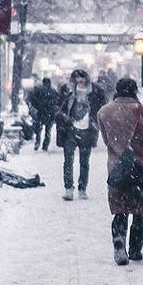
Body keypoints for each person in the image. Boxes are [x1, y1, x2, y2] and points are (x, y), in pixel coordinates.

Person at [97, 77, 143, 265]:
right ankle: (135, 249)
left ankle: (118, 242)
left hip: (117, 167)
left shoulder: (104, 112)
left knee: (120, 209)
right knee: (139, 211)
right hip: (142, 167)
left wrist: (118, 150)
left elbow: (107, 140)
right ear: (134, 91)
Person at [55, 69, 105, 200]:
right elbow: (58, 107)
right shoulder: (67, 91)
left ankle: (82, 188)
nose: (80, 80)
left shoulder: (95, 91)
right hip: (70, 129)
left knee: (84, 161)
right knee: (68, 161)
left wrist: (96, 122)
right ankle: (68, 188)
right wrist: (64, 117)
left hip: (88, 130)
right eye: (77, 78)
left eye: (82, 77)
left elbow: (102, 107)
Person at [28, 77, 57, 151]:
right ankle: (45, 145)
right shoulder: (53, 91)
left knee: (39, 130)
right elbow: (57, 101)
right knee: (48, 131)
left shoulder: (38, 90)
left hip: (41, 112)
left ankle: (37, 143)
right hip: (50, 113)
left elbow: (32, 99)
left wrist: (37, 107)